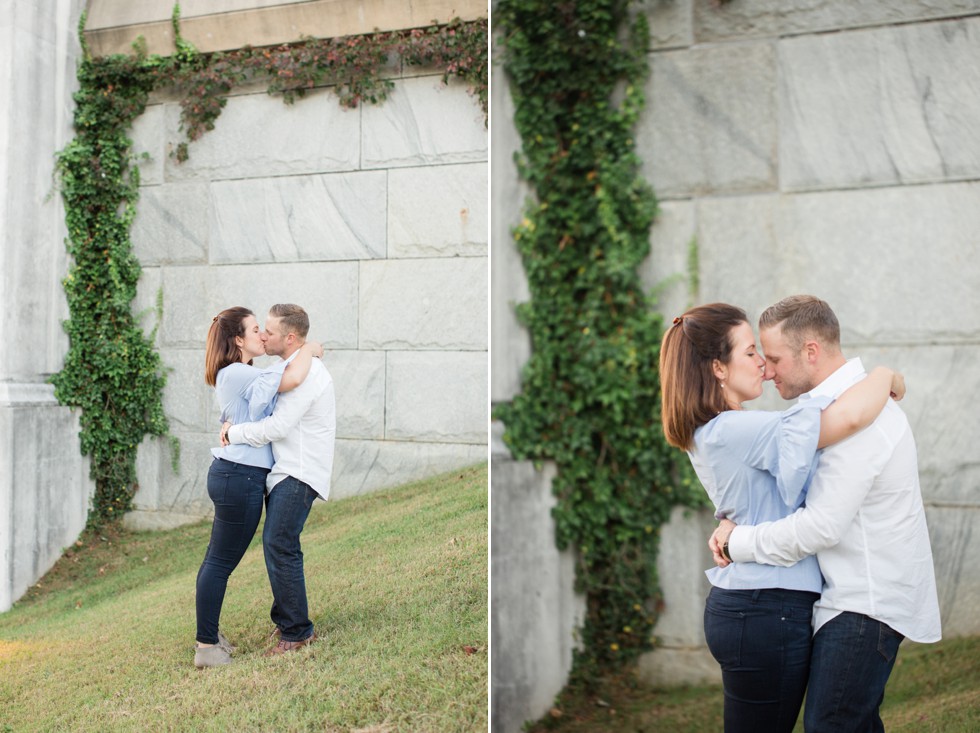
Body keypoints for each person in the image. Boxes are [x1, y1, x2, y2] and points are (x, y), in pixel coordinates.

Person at [659, 302, 905, 733]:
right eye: (752, 352)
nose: (763, 366)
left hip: (759, 606)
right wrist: (884, 376)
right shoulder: (733, 431)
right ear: (718, 368)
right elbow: (846, 417)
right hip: (763, 607)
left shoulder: (727, 429)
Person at [708, 295, 941, 732]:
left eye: (774, 358)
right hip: (844, 596)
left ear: (810, 351)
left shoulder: (860, 414)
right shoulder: (836, 406)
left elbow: (821, 526)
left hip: (866, 603)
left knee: (833, 724)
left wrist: (736, 543)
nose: (767, 369)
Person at [196, 306, 323, 669]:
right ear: (238, 340)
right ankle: (206, 645)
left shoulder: (242, 373)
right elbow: (292, 377)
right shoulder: (236, 372)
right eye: (255, 330)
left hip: (239, 475)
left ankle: (209, 635)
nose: (262, 336)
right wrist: (310, 348)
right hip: (238, 476)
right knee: (219, 562)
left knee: (219, 560)